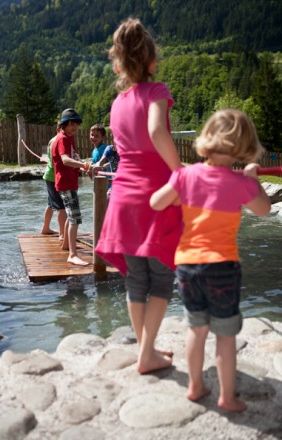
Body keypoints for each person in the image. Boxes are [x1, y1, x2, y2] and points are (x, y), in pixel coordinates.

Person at [150, 109, 271, 412]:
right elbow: (264, 210)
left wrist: (181, 192)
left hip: (188, 267)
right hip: (222, 268)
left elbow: (156, 202)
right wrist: (253, 179)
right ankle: (227, 397)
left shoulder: (186, 175)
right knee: (225, 335)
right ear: (243, 147)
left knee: (196, 329)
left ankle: (194, 386)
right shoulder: (241, 183)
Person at [94, 18, 183, 374]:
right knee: (161, 277)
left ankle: (146, 348)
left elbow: (126, 145)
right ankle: (147, 354)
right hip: (156, 194)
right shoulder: (157, 91)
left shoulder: (117, 103)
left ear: (118, 65)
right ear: (151, 61)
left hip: (124, 198)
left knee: (135, 278)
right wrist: (179, 171)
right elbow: (156, 131)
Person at [51, 108, 89, 266]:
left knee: (69, 216)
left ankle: (67, 245)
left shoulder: (69, 138)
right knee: (75, 218)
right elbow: (65, 160)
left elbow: (72, 157)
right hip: (66, 183)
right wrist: (84, 166)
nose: (74, 126)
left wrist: (81, 164)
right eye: (71, 123)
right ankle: (72, 255)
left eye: (76, 123)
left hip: (69, 182)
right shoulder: (63, 139)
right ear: (64, 124)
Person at [41, 122, 67, 239]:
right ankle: (62, 234)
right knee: (61, 206)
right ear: (58, 129)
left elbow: (50, 158)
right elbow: (59, 162)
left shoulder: (52, 140)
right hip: (53, 177)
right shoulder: (58, 140)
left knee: (51, 203)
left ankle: (45, 228)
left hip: (49, 176)